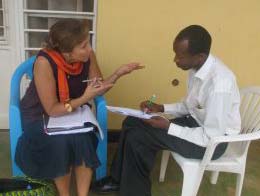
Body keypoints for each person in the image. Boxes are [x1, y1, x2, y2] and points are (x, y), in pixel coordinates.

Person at [94, 25, 241, 196]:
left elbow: (210, 136)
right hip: (196, 125)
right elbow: (189, 106)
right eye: (175, 54)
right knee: (132, 121)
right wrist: (160, 108)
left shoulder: (219, 84)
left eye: (180, 56)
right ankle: (117, 179)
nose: (175, 60)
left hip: (212, 143)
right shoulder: (197, 68)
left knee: (138, 138)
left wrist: (168, 126)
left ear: (199, 56)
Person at [15, 18, 143, 196]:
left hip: (72, 114)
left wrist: (117, 74)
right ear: (67, 52)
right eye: (83, 46)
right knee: (61, 143)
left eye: (88, 43)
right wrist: (84, 97)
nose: (89, 49)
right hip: (40, 116)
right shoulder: (44, 62)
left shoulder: (87, 56)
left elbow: (97, 89)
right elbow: (52, 109)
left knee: (83, 138)